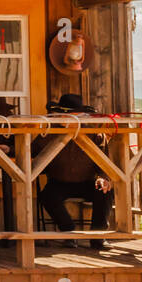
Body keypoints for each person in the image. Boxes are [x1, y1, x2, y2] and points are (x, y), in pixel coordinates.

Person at [37, 93, 113, 249]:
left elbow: (104, 161)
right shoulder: (48, 133)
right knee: (47, 196)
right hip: (58, 181)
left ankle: (98, 236)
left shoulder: (95, 134)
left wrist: (103, 177)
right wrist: (10, 149)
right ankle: (69, 233)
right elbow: (31, 151)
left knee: (105, 191)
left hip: (88, 182)